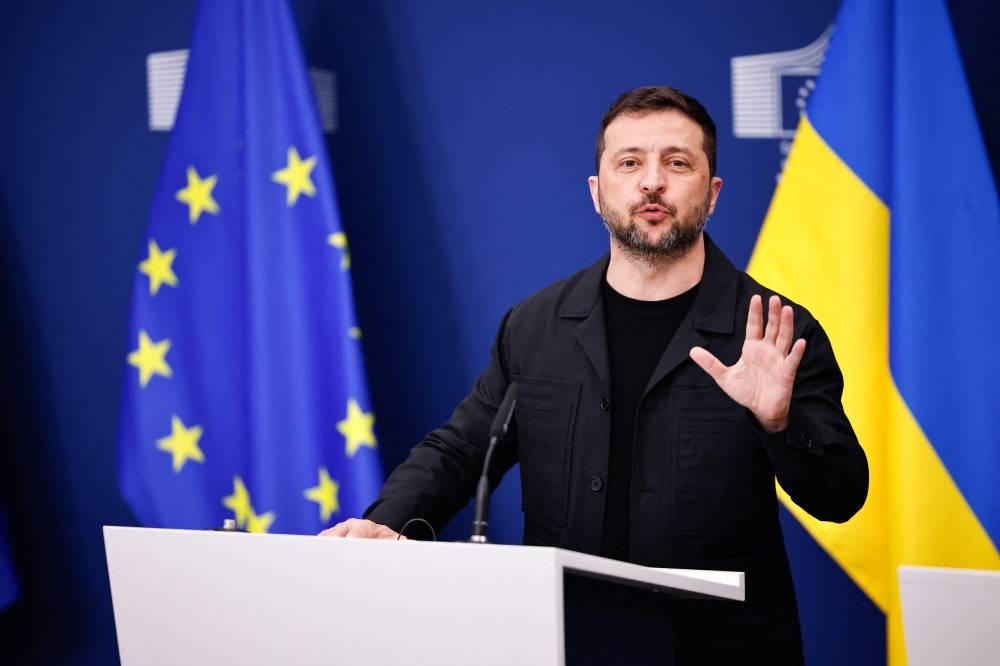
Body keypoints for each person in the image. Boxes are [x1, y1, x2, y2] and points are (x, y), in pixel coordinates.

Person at [320, 86, 868, 664]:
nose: (651, 181)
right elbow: (460, 451)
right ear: (596, 192)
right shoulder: (535, 326)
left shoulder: (774, 330)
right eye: (629, 162)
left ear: (712, 195)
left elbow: (842, 496)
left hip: (720, 646)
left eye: (677, 163)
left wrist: (778, 424)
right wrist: (386, 523)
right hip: (563, 639)